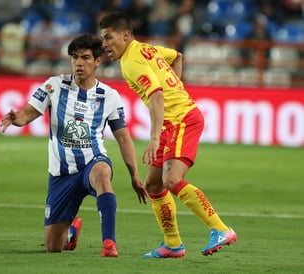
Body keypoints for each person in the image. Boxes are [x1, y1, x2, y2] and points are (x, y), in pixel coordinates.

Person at [99, 11, 237, 258]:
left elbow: (157, 96)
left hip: (182, 120)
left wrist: (153, 138)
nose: (105, 44)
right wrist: (178, 89)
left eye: (109, 37)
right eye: (103, 39)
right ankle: (173, 245)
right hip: (170, 123)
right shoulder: (146, 49)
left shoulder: (131, 62)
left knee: (171, 179)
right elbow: (177, 56)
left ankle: (221, 229)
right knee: (153, 184)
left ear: (126, 35)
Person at [0, 34, 147, 257]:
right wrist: (15, 118)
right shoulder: (54, 85)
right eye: (75, 57)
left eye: (86, 57)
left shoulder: (109, 96)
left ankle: (109, 243)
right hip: (61, 173)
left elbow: (123, 137)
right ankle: (70, 232)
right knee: (52, 246)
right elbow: (27, 114)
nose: (79, 62)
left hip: (92, 161)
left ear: (97, 61)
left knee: (103, 174)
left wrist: (134, 174)